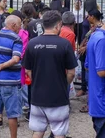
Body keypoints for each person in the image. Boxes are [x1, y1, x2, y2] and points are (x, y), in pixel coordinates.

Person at [23, 10, 77, 138]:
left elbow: (27, 71)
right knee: (59, 131)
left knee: (38, 131)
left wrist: (37, 81)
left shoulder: (32, 43)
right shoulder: (64, 44)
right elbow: (71, 72)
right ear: (58, 25)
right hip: (58, 96)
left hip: (37, 96)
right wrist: (64, 84)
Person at [85, 11, 105, 137]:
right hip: (102, 99)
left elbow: (87, 66)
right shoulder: (102, 40)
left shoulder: (94, 36)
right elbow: (101, 71)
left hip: (96, 98)